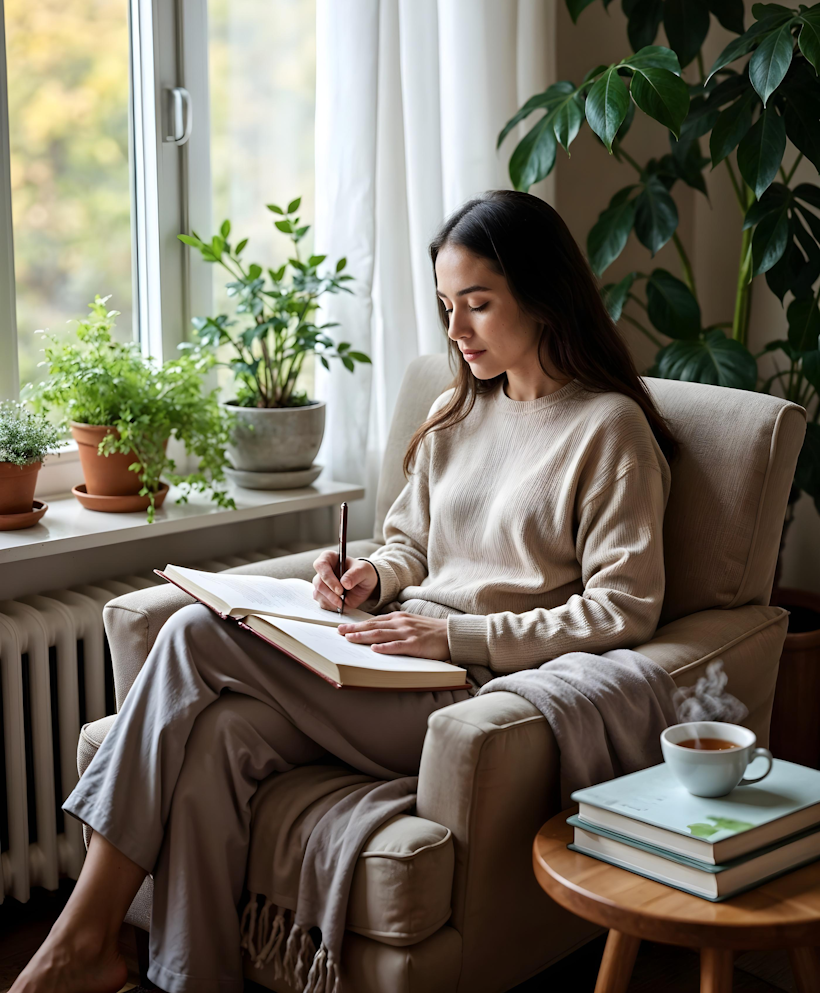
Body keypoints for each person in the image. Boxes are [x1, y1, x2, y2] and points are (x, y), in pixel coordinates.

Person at [11, 190, 675, 993]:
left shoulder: (608, 431)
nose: (456, 332)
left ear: (542, 296)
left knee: (190, 635)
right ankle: (191, 978)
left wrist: (454, 639)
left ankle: (80, 940)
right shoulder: (457, 409)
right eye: (445, 306)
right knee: (217, 737)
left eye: (477, 305)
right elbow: (410, 544)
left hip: (467, 691)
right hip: (388, 656)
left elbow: (623, 610)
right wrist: (372, 577)